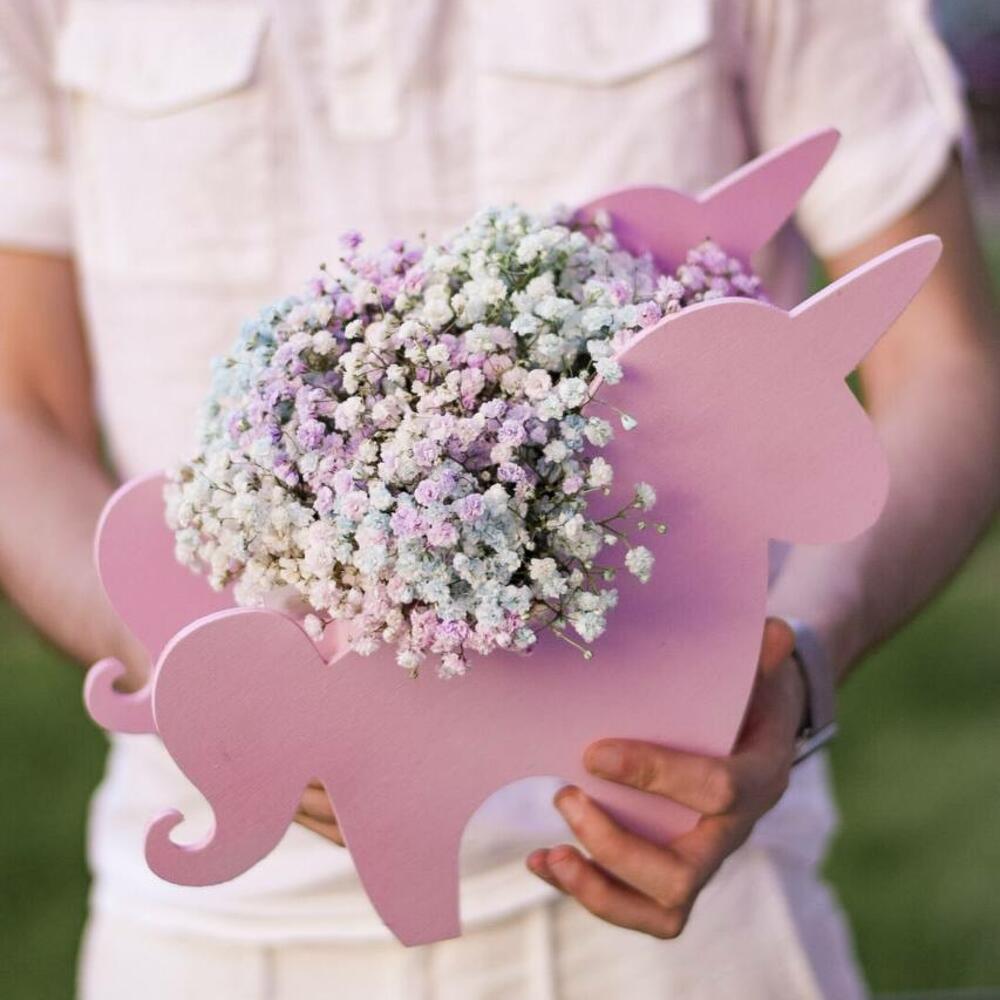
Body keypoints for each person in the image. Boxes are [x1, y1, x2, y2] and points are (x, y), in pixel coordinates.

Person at [1, 2, 997, 997]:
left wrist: (796, 662)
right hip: (218, 932)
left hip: (696, 913)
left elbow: (944, 359)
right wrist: (195, 681)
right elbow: (18, 405)